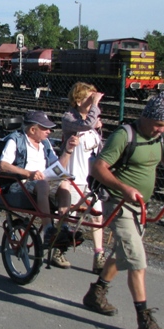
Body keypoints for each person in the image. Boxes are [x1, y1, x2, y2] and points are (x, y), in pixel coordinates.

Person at [82, 91, 164, 329]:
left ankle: (96, 294)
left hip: (140, 206)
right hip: (118, 204)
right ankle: (144, 320)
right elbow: (98, 168)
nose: (161, 130)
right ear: (146, 117)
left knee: (123, 253)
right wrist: (124, 188)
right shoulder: (124, 135)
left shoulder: (159, 138)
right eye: (158, 125)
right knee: (137, 260)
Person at [0, 111, 79, 268]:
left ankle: (63, 228)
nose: (49, 132)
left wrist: (68, 150)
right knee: (43, 184)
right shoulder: (16, 140)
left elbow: (58, 167)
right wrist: (29, 173)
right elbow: (3, 165)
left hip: (42, 184)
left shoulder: (45, 144)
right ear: (33, 130)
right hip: (20, 185)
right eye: (45, 128)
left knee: (65, 184)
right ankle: (48, 230)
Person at [61, 82, 106, 274]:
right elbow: (85, 125)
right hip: (73, 178)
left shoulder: (93, 121)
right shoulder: (69, 118)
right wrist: (95, 107)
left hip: (90, 181)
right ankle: (58, 249)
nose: (93, 101)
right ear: (78, 101)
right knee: (67, 218)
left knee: (97, 218)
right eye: (89, 98)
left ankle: (99, 255)